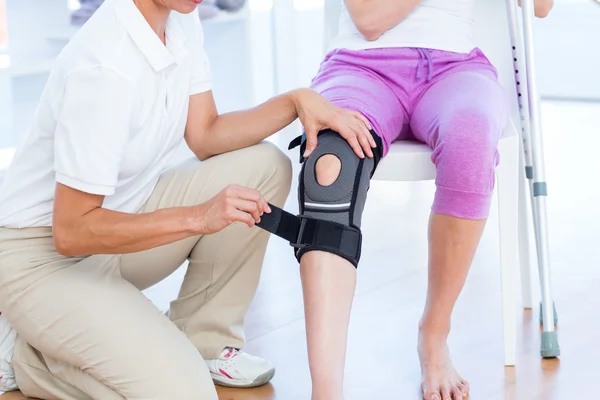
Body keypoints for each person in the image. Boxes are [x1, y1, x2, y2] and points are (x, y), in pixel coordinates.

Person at [0, 0, 372, 398]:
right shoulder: (104, 66)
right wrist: (198, 218)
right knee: (186, 394)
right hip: (40, 262)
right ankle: (23, 357)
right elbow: (71, 232)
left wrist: (295, 102)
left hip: (116, 227)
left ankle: (205, 341)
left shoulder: (179, 18)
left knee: (264, 166)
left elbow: (206, 133)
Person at [287, 1, 554, 400]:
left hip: (456, 68)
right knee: (330, 169)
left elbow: (540, 7)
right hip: (360, 66)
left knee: (471, 141)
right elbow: (369, 19)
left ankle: (434, 335)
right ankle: (326, 392)